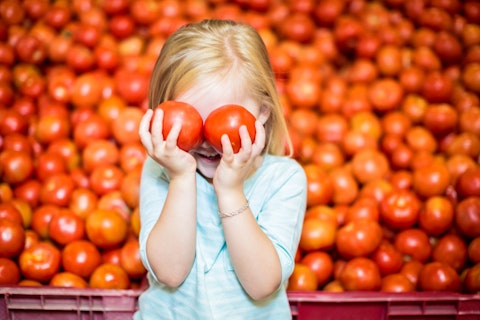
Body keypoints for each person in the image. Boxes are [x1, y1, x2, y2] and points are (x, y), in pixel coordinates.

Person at [135, 19, 307, 320]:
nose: (208, 139)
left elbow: (262, 284)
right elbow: (170, 273)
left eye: (226, 118)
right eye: (186, 118)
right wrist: (180, 177)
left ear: (263, 112)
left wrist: (229, 189)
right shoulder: (161, 170)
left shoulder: (284, 179)